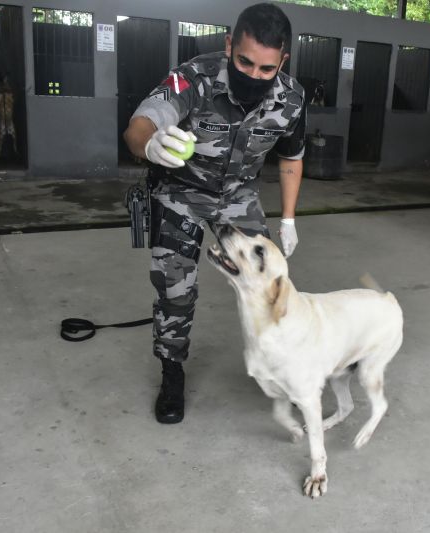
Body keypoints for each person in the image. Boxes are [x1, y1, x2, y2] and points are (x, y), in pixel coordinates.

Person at [123, 3, 305, 424]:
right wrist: (149, 146)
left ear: (282, 61)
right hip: (180, 192)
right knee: (175, 290)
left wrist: (289, 219)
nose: (253, 75)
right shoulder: (194, 77)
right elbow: (141, 124)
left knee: (271, 284)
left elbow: (292, 160)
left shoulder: (291, 98)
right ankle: (172, 374)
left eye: (266, 68)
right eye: (244, 62)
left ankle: (283, 367)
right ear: (229, 46)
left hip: (238, 196)